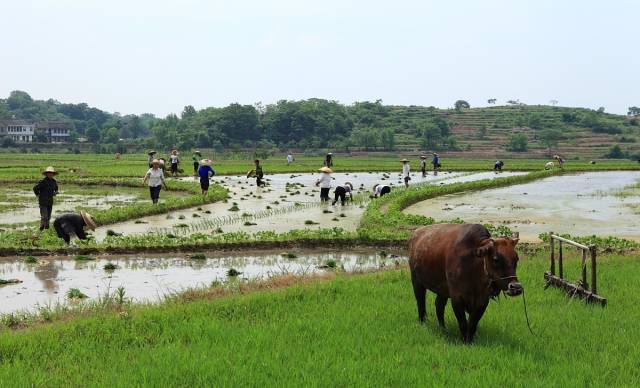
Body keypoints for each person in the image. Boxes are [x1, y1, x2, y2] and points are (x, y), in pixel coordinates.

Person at [33, 166, 59, 230]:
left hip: (50, 201)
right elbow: (35, 188)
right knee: (44, 216)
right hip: (43, 201)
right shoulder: (43, 181)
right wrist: (38, 195)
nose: (50, 174)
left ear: (53, 174)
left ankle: (47, 228)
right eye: (49, 173)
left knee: (49, 217)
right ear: (46, 174)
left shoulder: (54, 181)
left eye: (51, 173)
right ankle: (41, 228)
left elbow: (56, 189)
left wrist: (55, 193)